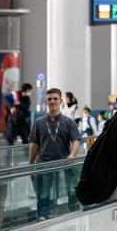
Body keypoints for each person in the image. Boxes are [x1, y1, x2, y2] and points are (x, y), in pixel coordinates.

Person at [28, 88, 81, 220]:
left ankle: (71, 217)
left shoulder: (68, 122)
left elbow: (76, 140)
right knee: (44, 194)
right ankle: (43, 217)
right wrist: (30, 164)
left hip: (63, 164)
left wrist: (72, 155)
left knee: (69, 191)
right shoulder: (39, 122)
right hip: (43, 164)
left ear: (61, 101)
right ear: (46, 102)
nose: (52, 101)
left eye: (55, 98)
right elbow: (34, 144)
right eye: (49, 99)